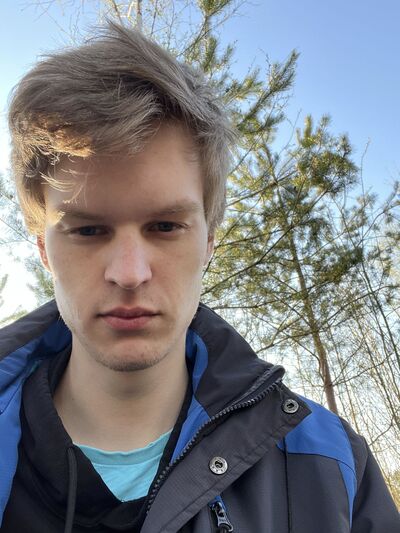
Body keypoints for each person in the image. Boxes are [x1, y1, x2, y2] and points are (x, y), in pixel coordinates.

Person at [0, 21, 398, 533]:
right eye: (88, 230)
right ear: (43, 250)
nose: (130, 273)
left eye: (165, 227)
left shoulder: (332, 467)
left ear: (209, 241)